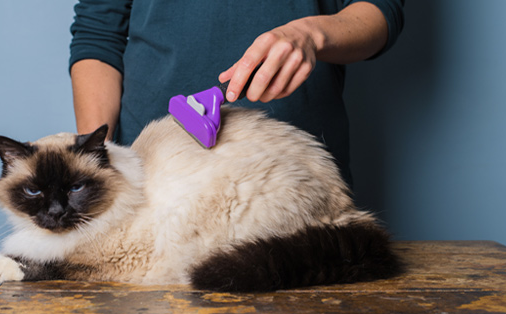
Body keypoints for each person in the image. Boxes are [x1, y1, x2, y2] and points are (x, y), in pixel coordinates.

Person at [69, 1, 404, 185]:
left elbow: (380, 10)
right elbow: (98, 30)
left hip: (291, 175)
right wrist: (97, 159)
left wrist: (310, 34)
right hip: (152, 175)